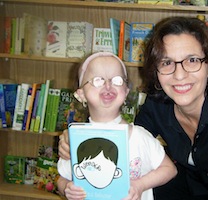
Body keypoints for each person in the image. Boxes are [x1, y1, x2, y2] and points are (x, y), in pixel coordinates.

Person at [58, 17, 208, 200]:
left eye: (192, 60)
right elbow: (129, 145)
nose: (179, 74)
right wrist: (75, 140)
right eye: (167, 63)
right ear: (156, 71)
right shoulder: (158, 102)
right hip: (191, 189)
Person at [56, 52, 177, 200]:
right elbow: (62, 178)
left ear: (126, 92)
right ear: (81, 94)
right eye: (98, 80)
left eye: (117, 80)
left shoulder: (140, 136)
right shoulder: (75, 140)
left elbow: (170, 169)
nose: (108, 85)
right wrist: (67, 188)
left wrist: (140, 185)